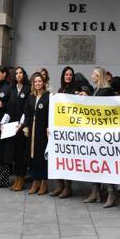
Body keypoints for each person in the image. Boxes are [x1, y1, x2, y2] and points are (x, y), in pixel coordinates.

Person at [84, 67, 116, 206]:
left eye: (95, 74)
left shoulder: (107, 90)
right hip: (95, 132)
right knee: (95, 162)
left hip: (104, 133)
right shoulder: (96, 90)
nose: (92, 76)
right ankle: (95, 191)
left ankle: (111, 193)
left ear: (100, 76)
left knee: (105, 163)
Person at [51, 67, 77, 198]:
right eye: (66, 74)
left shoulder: (75, 90)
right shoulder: (61, 90)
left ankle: (68, 187)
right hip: (60, 128)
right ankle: (59, 186)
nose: (68, 76)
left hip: (70, 129)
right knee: (59, 158)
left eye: (70, 75)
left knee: (68, 159)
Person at [23, 71, 50, 195]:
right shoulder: (31, 96)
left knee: (41, 155)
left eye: (40, 81)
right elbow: (27, 113)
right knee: (32, 155)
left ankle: (44, 181)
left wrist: (49, 127)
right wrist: (25, 126)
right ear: (33, 83)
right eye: (36, 81)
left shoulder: (48, 96)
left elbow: (50, 114)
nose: (38, 83)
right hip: (32, 129)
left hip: (42, 130)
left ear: (43, 83)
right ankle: (35, 181)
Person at [9, 67, 30, 191]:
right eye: (16, 73)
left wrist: (21, 124)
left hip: (22, 126)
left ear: (24, 74)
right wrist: (3, 122)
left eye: (21, 72)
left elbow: (27, 108)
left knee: (22, 154)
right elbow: (8, 108)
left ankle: (21, 179)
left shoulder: (28, 88)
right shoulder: (12, 88)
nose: (18, 75)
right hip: (12, 126)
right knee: (15, 154)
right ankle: (16, 179)